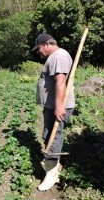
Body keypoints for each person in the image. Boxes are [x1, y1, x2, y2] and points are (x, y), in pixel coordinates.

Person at [31, 33, 75, 191]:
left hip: (57, 106)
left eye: (39, 49)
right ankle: (54, 164)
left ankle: (51, 174)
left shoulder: (59, 56)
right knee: (49, 135)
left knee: (53, 137)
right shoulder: (55, 56)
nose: (38, 52)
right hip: (52, 105)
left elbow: (60, 81)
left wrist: (58, 106)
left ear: (46, 44)